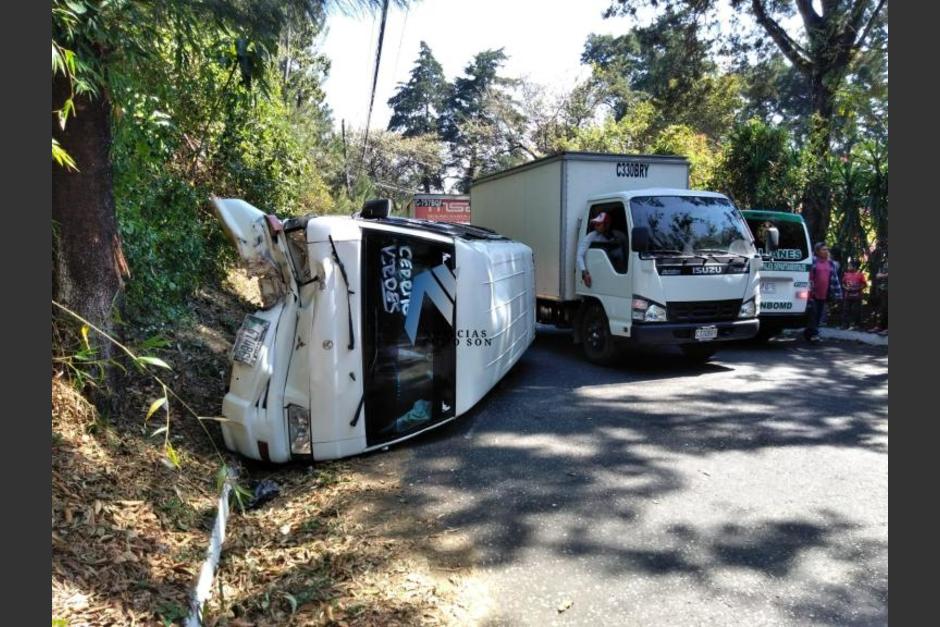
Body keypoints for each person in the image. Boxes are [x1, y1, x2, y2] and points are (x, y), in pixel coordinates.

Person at [577, 211, 628, 288]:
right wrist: (584, 273)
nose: (595, 226)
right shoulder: (591, 236)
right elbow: (579, 255)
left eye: (598, 224)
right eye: (595, 224)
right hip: (598, 273)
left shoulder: (619, 235)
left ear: (607, 225)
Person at [804, 242, 842, 342]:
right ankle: (815, 334)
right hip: (812, 293)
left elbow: (834, 279)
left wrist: (837, 293)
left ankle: (809, 333)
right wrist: (809, 291)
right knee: (813, 313)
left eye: (827, 249)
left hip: (824, 294)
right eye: (823, 250)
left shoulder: (830, 263)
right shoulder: (813, 261)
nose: (826, 251)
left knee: (818, 314)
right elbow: (809, 277)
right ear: (817, 252)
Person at [841, 260, 868, 329]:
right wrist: (846, 288)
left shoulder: (860, 275)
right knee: (846, 310)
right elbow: (843, 283)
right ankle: (845, 325)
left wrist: (858, 288)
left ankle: (856, 325)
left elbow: (864, 284)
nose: (848, 267)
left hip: (857, 297)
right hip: (847, 296)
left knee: (856, 311)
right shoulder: (846, 274)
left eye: (850, 266)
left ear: (855, 267)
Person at [871, 254, 888, 334]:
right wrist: (885, 275)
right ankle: (880, 327)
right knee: (882, 309)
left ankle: (886, 329)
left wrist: (883, 275)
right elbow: (877, 275)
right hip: (883, 289)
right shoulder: (884, 263)